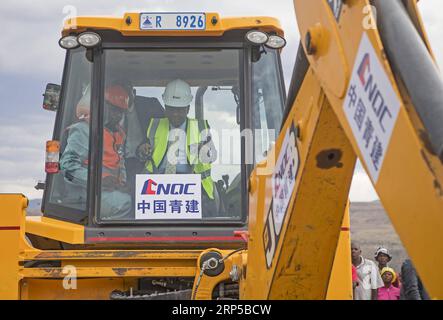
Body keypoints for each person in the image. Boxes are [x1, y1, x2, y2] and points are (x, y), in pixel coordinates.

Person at [136, 79, 218, 215]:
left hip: (193, 187)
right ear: (165, 107)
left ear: (188, 109)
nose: (175, 114)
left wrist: (205, 152)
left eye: (179, 110)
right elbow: (140, 152)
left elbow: (212, 155)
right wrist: (141, 150)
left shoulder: (200, 127)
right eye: (171, 109)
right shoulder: (154, 125)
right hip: (156, 186)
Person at [60, 84, 132, 219]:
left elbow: (118, 165)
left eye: (120, 112)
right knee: (125, 203)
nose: (118, 116)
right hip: (84, 191)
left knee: (133, 198)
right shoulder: (84, 130)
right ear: (100, 107)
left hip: (105, 190)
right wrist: (99, 181)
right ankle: (108, 236)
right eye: (113, 110)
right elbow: (67, 166)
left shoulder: (117, 134)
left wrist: (122, 184)